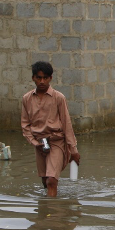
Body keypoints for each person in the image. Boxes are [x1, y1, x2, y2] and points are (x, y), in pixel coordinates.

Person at [21, 61, 80, 197]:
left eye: (45, 78)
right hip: (39, 143)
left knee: (51, 181)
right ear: (33, 78)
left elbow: (66, 123)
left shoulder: (58, 98)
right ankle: (46, 209)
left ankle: (51, 215)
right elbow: (25, 125)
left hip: (56, 141)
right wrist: (35, 143)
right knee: (44, 181)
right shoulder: (27, 99)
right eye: (38, 78)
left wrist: (73, 149)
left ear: (50, 78)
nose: (42, 81)